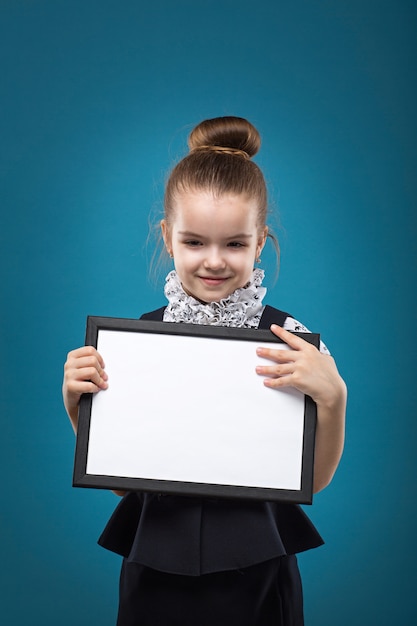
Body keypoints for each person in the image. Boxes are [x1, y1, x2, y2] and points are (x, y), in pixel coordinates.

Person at [63, 116, 346, 625]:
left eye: (235, 244)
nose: (214, 261)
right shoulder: (139, 342)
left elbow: (314, 480)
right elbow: (127, 483)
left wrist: (334, 398)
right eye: (194, 242)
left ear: (260, 242)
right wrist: (80, 411)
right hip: (155, 564)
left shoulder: (289, 340)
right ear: (167, 238)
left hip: (257, 568)